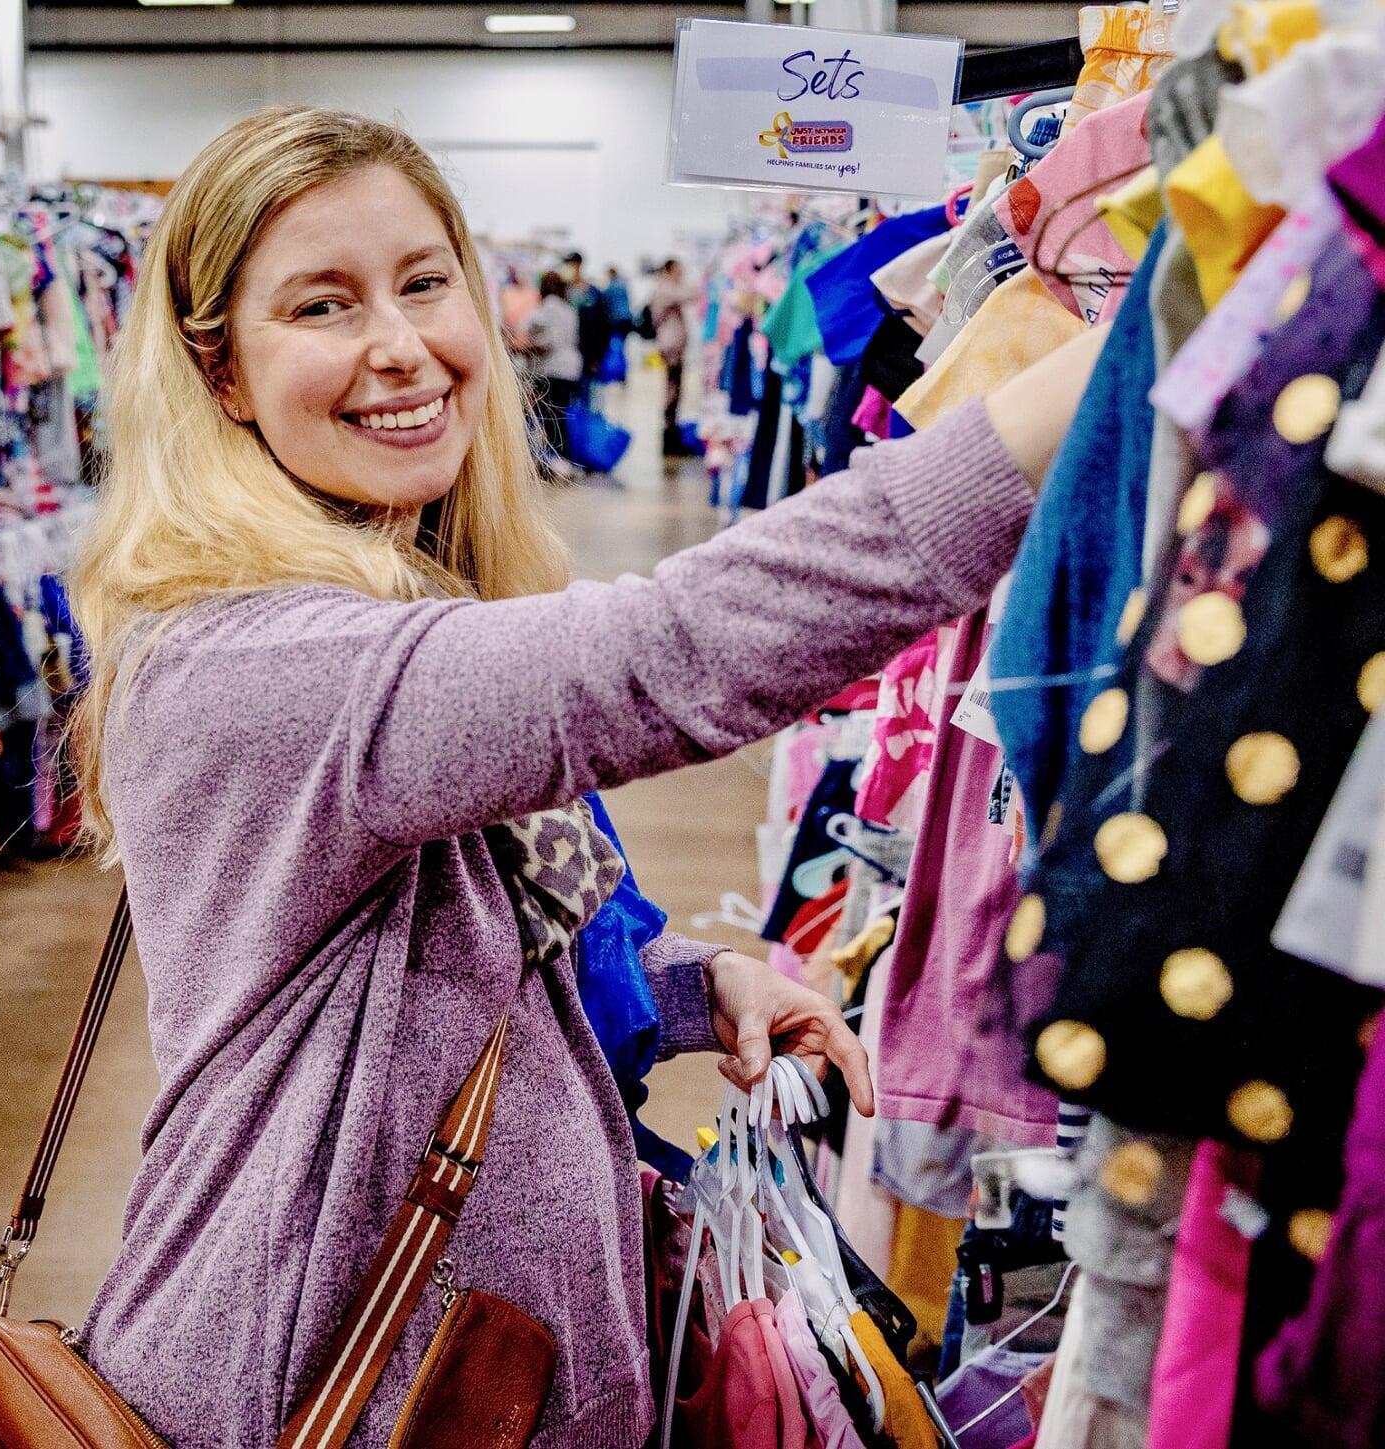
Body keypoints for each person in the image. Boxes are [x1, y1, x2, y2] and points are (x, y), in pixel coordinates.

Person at [69, 103, 1105, 1449]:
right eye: (323, 306)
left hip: (453, 1368)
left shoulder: (389, 590)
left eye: (424, 282)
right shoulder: (258, 658)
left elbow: (457, 942)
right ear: (219, 373)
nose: (401, 347)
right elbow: (664, 655)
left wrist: (682, 982)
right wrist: (1090, 379)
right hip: (316, 1386)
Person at [523, 269, 582, 472]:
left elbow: (544, 337)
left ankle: (555, 460)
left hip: (551, 369)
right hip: (570, 368)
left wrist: (528, 345)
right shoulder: (568, 309)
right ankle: (564, 460)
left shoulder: (547, 307)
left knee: (550, 418)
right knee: (561, 415)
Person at [649, 256, 700, 455]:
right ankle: (670, 437)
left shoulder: (666, 288)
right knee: (672, 390)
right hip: (670, 347)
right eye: (679, 270)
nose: (682, 274)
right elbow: (690, 295)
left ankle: (672, 433)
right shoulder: (666, 289)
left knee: (675, 389)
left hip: (673, 346)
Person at [560, 248, 610, 389]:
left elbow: (603, 325)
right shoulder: (561, 292)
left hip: (588, 356)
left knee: (589, 397)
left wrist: (598, 356)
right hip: (567, 356)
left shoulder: (593, 294)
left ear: (578, 265)